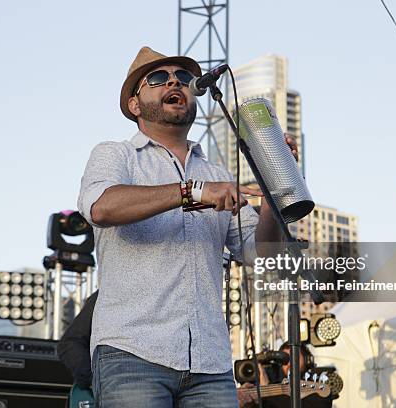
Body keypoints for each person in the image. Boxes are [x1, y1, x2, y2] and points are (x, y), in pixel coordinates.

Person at [77, 46, 299, 408]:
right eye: (159, 78)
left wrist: (274, 184)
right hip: (132, 352)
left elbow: (260, 255)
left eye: (181, 78)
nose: (174, 83)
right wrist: (192, 192)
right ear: (135, 104)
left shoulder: (217, 174)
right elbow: (102, 207)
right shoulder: (115, 155)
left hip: (210, 364)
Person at [237, 343, 332, 408]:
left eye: (295, 357)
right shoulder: (273, 387)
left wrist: (267, 391)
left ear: (307, 360)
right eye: (284, 359)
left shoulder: (318, 383)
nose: (290, 363)